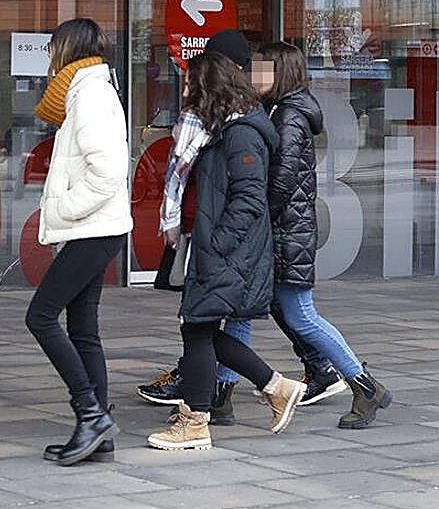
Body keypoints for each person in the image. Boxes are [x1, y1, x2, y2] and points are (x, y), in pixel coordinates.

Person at [137, 30, 335, 424]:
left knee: (203, 325)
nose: (186, 88)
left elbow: (250, 197)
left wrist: (217, 242)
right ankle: (269, 389)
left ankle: (199, 416)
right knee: (199, 327)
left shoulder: (242, 132)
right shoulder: (220, 128)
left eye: (192, 81)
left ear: (211, 84)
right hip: (212, 243)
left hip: (226, 247)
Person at [253, 42, 392, 429]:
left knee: (301, 314)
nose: (254, 75)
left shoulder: (290, 116)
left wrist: (257, 217)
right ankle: (218, 391)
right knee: (272, 312)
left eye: (261, 68)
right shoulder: (283, 110)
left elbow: (281, 181)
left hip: (286, 231)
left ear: (280, 72)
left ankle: (365, 386)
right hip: (287, 229)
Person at [25, 18, 132, 466]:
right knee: (83, 328)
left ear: (67, 48)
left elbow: (108, 170)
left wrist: (65, 208)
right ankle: (98, 435)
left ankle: (90, 412)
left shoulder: (89, 93)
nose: (48, 57)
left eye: (52, 47)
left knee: (41, 316)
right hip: (97, 227)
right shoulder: (84, 90)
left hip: (94, 226)